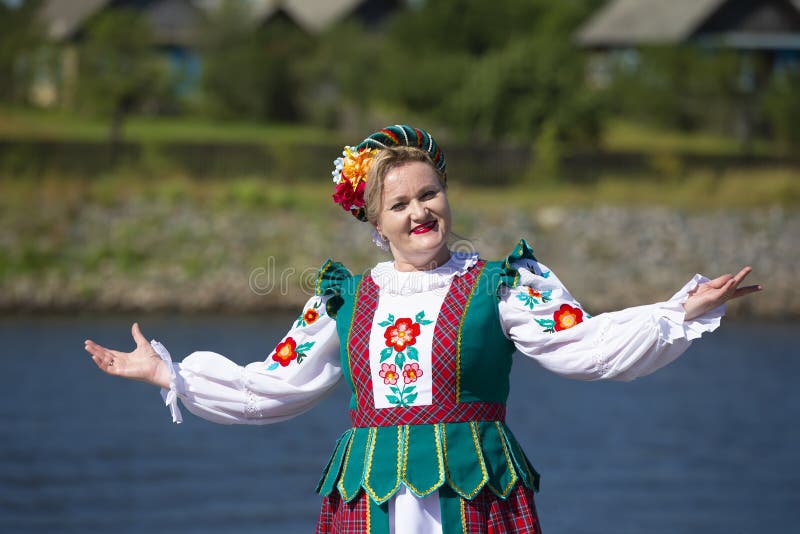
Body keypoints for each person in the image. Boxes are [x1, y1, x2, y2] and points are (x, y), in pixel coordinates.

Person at [84, 125, 761, 533]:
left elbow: (582, 343)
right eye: (399, 204)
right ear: (375, 223)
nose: (419, 213)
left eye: (429, 194)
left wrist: (677, 312)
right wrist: (167, 373)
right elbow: (276, 385)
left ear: (447, 196)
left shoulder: (503, 283)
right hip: (371, 500)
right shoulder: (343, 299)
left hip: (476, 497)